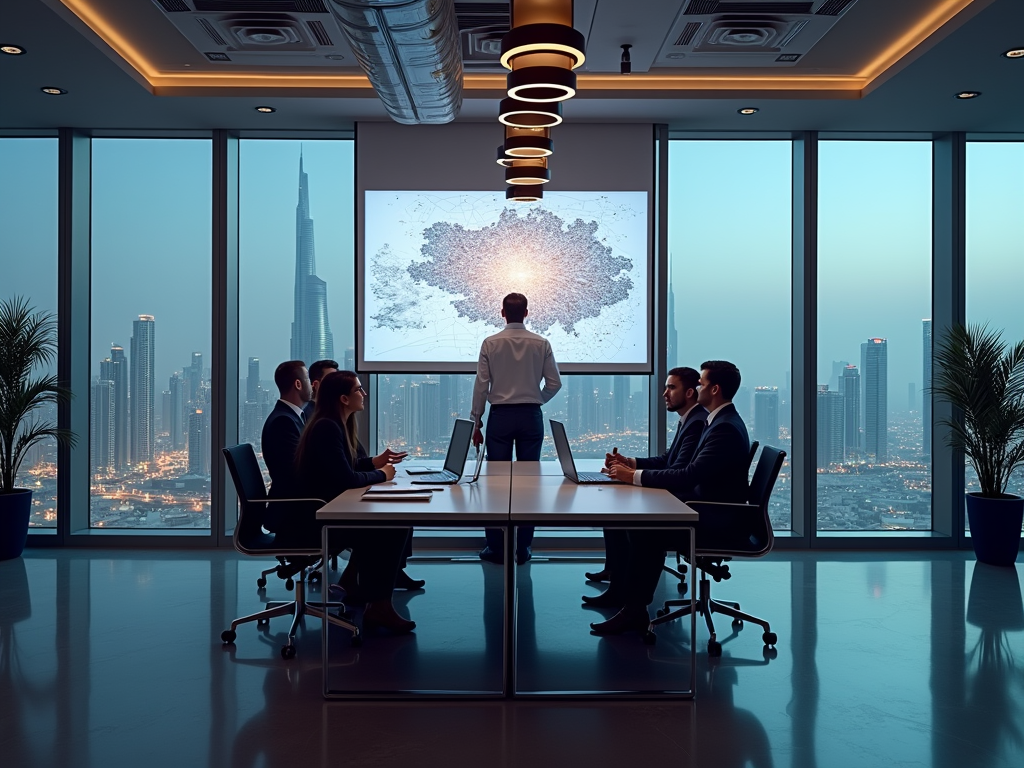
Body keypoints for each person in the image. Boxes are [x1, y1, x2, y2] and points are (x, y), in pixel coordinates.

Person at [591, 360, 751, 635]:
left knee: (645, 530)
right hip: (706, 508)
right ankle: (629, 600)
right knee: (638, 522)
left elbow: (688, 474)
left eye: (700, 383)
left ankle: (634, 610)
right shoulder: (717, 421)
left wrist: (633, 476)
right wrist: (632, 467)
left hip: (714, 518)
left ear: (714, 389)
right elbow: (675, 463)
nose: (697, 387)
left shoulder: (721, 427)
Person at [295, 370, 416, 633]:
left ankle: (356, 585)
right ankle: (378, 606)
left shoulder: (333, 423)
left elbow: (343, 465)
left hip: (326, 509)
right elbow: (346, 478)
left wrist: (374, 462)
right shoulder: (327, 427)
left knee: (394, 521)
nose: (364, 394)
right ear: (343, 399)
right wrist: (381, 474)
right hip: (316, 521)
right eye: (359, 390)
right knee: (392, 526)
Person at [582, 367, 707, 604]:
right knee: (616, 509)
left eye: (671, 387)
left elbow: (676, 471)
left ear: (689, 392)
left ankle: (624, 594)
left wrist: (632, 476)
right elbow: (667, 459)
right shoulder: (689, 419)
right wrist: (629, 462)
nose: (664, 393)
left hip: (685, 503)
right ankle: (616, 576)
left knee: (626, 516)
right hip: (680, 497)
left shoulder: (697, 422)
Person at [470, 292, 562, 565]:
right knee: (529, 484)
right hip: (530, 416)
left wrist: (476, 421)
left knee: (495, 484)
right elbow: (554, 384)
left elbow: (481, 385)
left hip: (500, 416)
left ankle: (496, 548)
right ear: (526, 313)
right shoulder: (541, 343)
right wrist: (535, 400)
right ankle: (523, 549)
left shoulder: (490, 343)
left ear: (502, 313)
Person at [260, 360, 311, 534]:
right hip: (294, 514)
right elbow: (298, 473)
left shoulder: (292, 417)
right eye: (308, 380)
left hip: (297, 506)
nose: (312, 385)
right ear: (298, 384)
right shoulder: (284, 421)